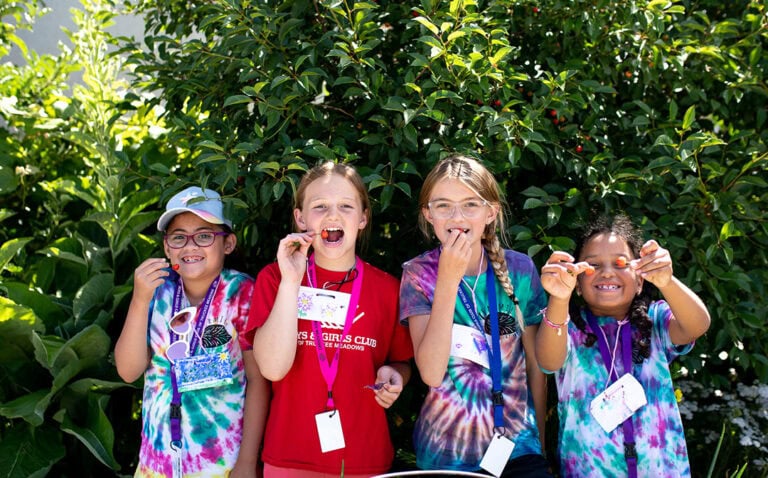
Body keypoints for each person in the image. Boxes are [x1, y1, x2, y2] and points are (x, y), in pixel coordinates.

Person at [246, 161, 413, 477]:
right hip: (289, 457)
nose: (333, 215)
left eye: (346, 206)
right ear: (300, 218)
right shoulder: (274, 278)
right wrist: (291, 280)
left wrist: (396, 376)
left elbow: (401, 361)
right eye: (320, 206)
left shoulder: (389, 289)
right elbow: (271, 368)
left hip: (365, 459)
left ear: (363, 218)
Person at [399, 154, 551, 477]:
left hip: (519, 449)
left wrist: (539, 441)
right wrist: (448, 279)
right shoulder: (417, 274)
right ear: (428, 214)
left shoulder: (520, 270)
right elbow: (431, 372)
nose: (457, 216)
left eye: (470, 204)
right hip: (446, 453)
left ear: (491, 212)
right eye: (443, 206)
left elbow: (536, 367)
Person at [536, 213, 711, 477]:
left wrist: (667, 281)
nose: (607, 272)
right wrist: (559, 298)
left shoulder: (655, 320)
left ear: (640, 279)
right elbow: (548, 361)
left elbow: (698, 325)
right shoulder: (566, 326)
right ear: (579, 284)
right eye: (593, 265)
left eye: (620, 263)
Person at [115, 186, 269, 478]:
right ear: (166, 247)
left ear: (228, 243)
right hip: (156, 465)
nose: (190, 246)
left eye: (204, 235)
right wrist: (139, 299)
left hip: (223, 465)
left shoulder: (242, 293)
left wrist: (248, 462)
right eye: (178, 237)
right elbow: (127, 370)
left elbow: (257, 379)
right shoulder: (156, 293)